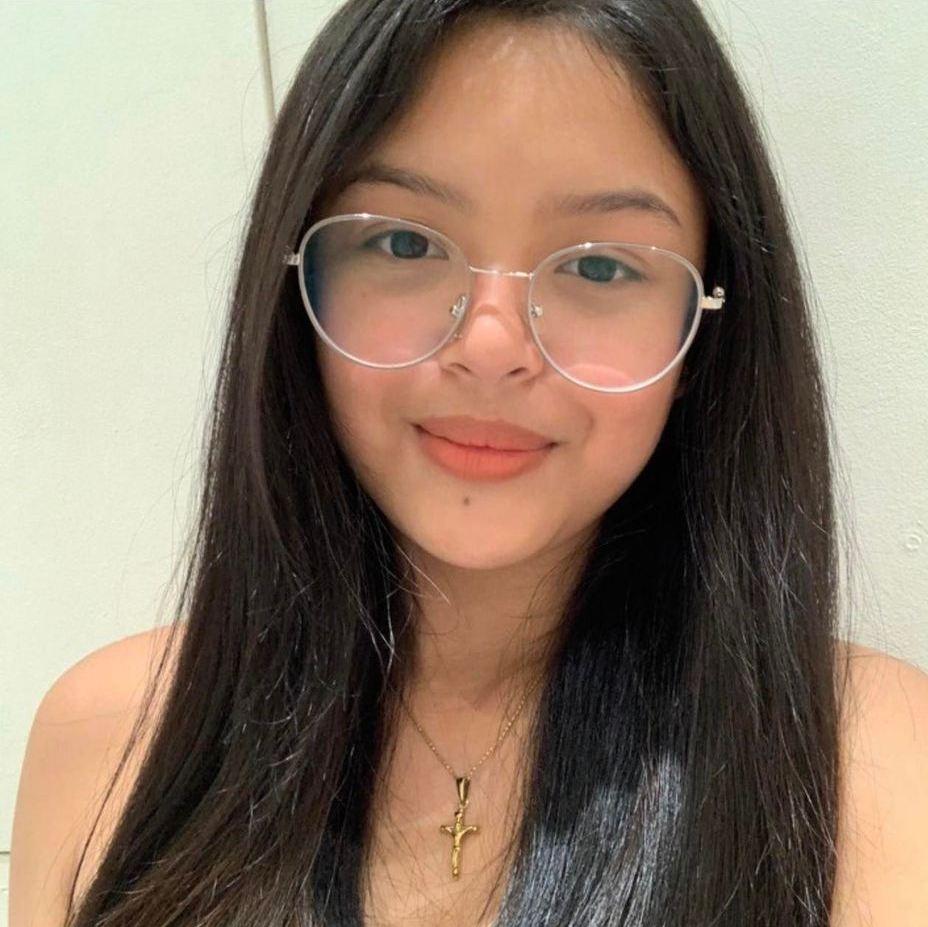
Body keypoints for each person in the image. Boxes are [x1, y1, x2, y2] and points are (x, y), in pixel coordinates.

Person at [11, 1, 928, 925]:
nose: (491, 348)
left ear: (705, 335)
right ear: (294, 293)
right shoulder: (108, 739)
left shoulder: (873, 768)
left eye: (600, 267)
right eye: (404, 242)